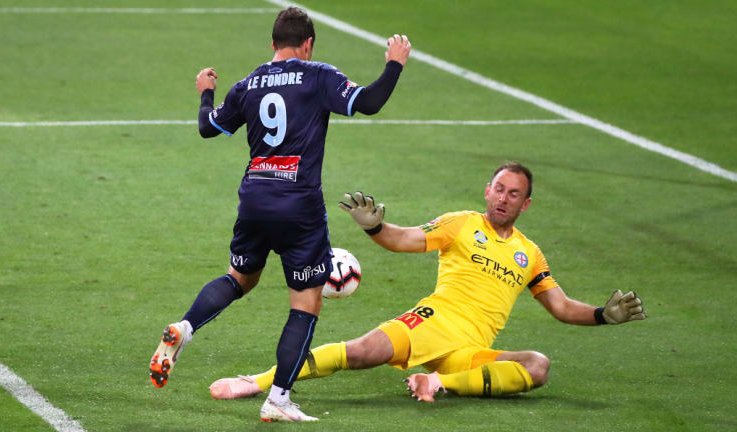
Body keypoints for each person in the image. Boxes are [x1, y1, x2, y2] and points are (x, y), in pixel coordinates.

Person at [148, 6, 412, 422]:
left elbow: (208, 127)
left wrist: (205, 92)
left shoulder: (249, 83)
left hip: (254, 199)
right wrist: (394, 66)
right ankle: (279, 399)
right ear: (307, 44)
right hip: (299, 206)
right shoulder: (319, 74)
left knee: (240, 278)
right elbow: (371, 101)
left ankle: (185, 327)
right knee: (305, 303)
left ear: (273, 43)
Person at [209, 162, 647, 406]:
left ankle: (438, 383)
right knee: (362, 352)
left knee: (538, 365)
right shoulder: (461, 224)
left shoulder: (530, 254)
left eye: (513, 194)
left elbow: (561, 306)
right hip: (434, 321)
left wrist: (602, 317)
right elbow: (405, 239)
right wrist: (374, 227)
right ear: (487, 189)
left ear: (525, 203)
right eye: (498, 188)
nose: (502, 197)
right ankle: (262, 379)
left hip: (470, 351)